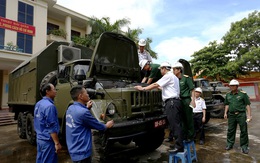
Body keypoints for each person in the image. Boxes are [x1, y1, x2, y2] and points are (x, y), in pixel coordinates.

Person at [135, 62, 184, 153]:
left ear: (164, 68)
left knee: (175, 125)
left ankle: (179, 147)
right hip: (175, 102)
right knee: (176, 124)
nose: (160, 71)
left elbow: (155, 84)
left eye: (161, 69)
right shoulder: (174, 77)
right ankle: (179, 144)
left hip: (171, 103)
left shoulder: (168, 76)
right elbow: (167, 88)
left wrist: (143, 88)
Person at [66, 85, 114, 163]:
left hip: (74, 149)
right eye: (86, 93)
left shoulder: (70, 108)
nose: (88, 94)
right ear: (80, 96)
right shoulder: (83, 112)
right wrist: (107, 125)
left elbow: (79, 117)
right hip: (82, 152)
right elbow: (99, 126)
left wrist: (86, 108)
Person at [34, 83, 62, 163]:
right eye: (54, 89)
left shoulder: (38, 104)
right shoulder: (50, 106)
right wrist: (57, 143)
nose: (56, 91)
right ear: (47, 91)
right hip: (48, 141)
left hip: (40, 139)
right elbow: (51, 126)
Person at [224, 79, 252, 154]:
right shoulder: (228, 95)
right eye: (231, 86)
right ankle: (229, 144)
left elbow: (247, 105)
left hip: (241, 115)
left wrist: (249, 115)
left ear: (237, 86)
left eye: (233, 85)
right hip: (231, 115)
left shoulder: (243, 94)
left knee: (243, 130)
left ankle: (244, 147)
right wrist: (225, 113)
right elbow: (227, 104)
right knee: (230, 130)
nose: (232, 87)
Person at [172, 61, 195, 142]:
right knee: (182, 120)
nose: (173, 71)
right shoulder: (175, 79)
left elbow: (192, 90)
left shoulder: (186, 78)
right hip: (179, 101)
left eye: (174, 69)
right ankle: (184, 135)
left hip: (186, 100)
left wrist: (193, 101)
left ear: (179, 70)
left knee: (189, 119)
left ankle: (191, 136)